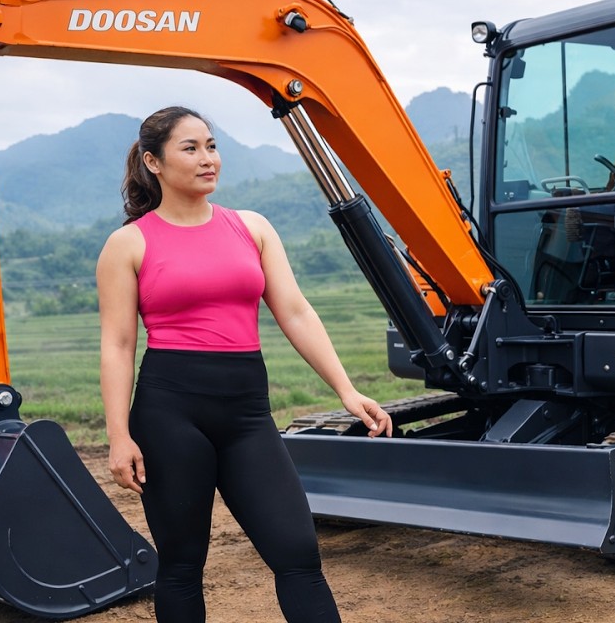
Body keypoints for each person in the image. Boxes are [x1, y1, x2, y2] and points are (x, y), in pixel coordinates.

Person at [96, 105, 393, 623]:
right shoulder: (129, 243)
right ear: (154, 162)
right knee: (183, 565)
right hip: (170, 413)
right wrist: (119, 435)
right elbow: (118, 344)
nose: (208, 158)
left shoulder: (250, 227)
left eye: (211, 145)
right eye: (190, 148)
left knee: (297, 552)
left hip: (247, 414)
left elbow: (296, 312)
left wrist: (346, 390)